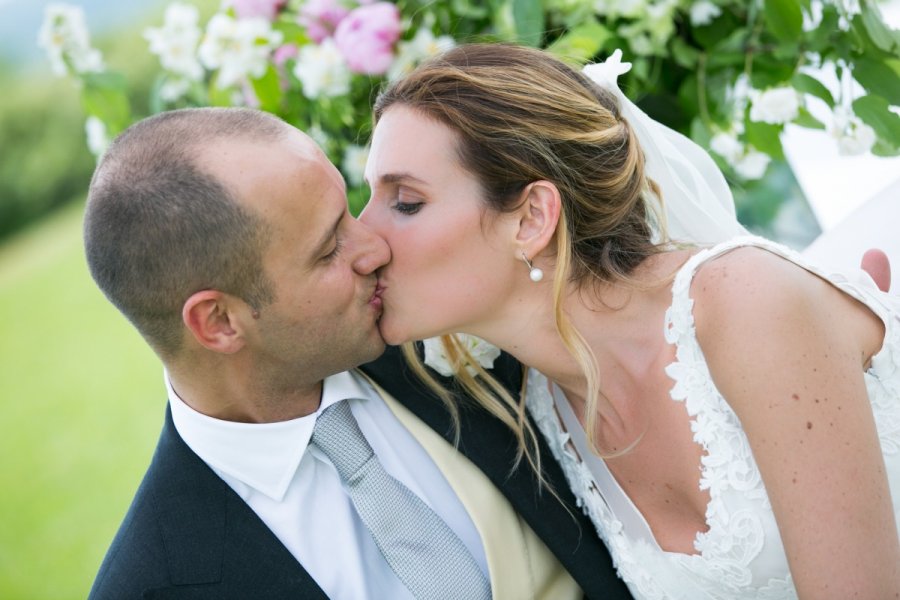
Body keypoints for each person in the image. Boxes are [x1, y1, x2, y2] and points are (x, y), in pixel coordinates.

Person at [359, 43, 900, 599]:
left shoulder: (744, 305)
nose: (362, 237)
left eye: (405, 202)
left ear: (531, 219)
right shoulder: (542, 413)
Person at [83, 107, 634, 599]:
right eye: (328, 251)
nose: (374, 247)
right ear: (219, 322)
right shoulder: (154, 582)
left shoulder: (453, 327)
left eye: (348, 210)